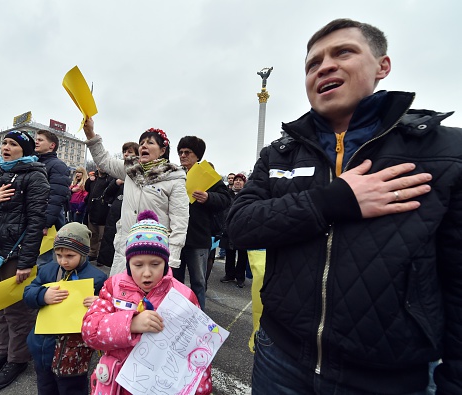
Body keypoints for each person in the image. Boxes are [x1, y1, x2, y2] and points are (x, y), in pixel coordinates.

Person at [227, 18, 462, 395]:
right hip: (281, 357)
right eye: (312, 63)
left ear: (382, 66)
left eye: (343, 52)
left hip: (389, 376)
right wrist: (334, 201)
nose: (325, 67)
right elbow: (239, 226)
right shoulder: (279, 154)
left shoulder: (443, 153)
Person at [82, 211, 212, 395]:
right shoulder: (113, 287)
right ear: (128, 263)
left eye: (155, 264)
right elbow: (90, 331)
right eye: (138, 264)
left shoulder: (184, 295)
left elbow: (198, 348)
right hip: (116, 385)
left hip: (160, 385)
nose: (147, 273)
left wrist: (199, 390)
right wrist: (130, 324)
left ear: (166, 263)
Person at [0, 130, 49, 391]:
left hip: (15, 256)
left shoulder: (35, 177)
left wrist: (27, 262)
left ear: (25, 150)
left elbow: (36, 221)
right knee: (1, 310)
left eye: (13, 144)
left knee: (17, 313)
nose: (6, 147)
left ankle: (17, 360)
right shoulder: (3, 174)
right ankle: (3, 353)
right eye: (4, 142)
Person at [82, 118, 189, 277]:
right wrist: (90, 133)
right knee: (119, 295)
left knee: (145, 300)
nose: (144, 145)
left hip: (152, 253)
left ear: (162, 150)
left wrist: (171, 258)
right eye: (142, 142)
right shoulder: (131, 170)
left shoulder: (174, 179)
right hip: (124, 248)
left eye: (150, 143)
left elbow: (180, 221)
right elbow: (104, 160)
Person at [24, 222, 107, 395]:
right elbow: (28, 293)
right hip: (43, 345)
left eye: (70, 255)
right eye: (59, 255)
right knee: (45, 386)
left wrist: (99, 303)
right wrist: (42, 295)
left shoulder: (97, 278)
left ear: (83, 253)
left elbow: (108, 308)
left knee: (72, 388)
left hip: (74, 352)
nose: (63, 261)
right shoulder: (48, 271)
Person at [173, 136, 231, 309]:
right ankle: (175, 316)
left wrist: (209, 197)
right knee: (175, 282)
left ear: (197, 155)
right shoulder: (173, 174)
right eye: (180, 152)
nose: (182, 155)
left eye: (187, 152)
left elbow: (226, 199)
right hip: (176, 238)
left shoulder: (208, 175)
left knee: (198, 282)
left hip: (198, 238)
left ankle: (199, 318)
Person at [97, 142, 139, 267]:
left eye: (130, 152)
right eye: (124, 152)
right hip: (114, 215)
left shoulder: (139, 174)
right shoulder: (117, 173)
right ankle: (104, 261)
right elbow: (107, 194)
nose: (126, 154)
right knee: (109, 240)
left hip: (129, 218)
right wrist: (116, 183)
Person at [35, 130, 72, 265]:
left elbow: (56, 198)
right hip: (34, 216)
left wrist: (46, 223)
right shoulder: (34, 162)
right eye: (36, 139)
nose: (36, 142)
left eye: (40, 140)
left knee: (42, 260)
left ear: (52, 145)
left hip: (46, 220)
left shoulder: (58, 165)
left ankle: (45, 285)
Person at [219, 173, 249, 288]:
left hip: (242, 229)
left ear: (244, 183)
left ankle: (240, 277)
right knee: (229, 253)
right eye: (236, 180)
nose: (237, 182)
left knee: (242, 255)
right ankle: (229, 274)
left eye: (240, 180)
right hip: (228, 228)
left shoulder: (247, 195)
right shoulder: (227, 194)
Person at [84, 166, 113, 263]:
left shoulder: (110, 178)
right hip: (92, 211)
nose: (102, 168)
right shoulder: (93, 178)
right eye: (100, 166)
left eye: (104, 166)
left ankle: (101, 256)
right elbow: (86, 188)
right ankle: (92, 253)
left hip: (104, 212)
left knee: (102, 236)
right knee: (93, 234)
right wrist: (89, 180)